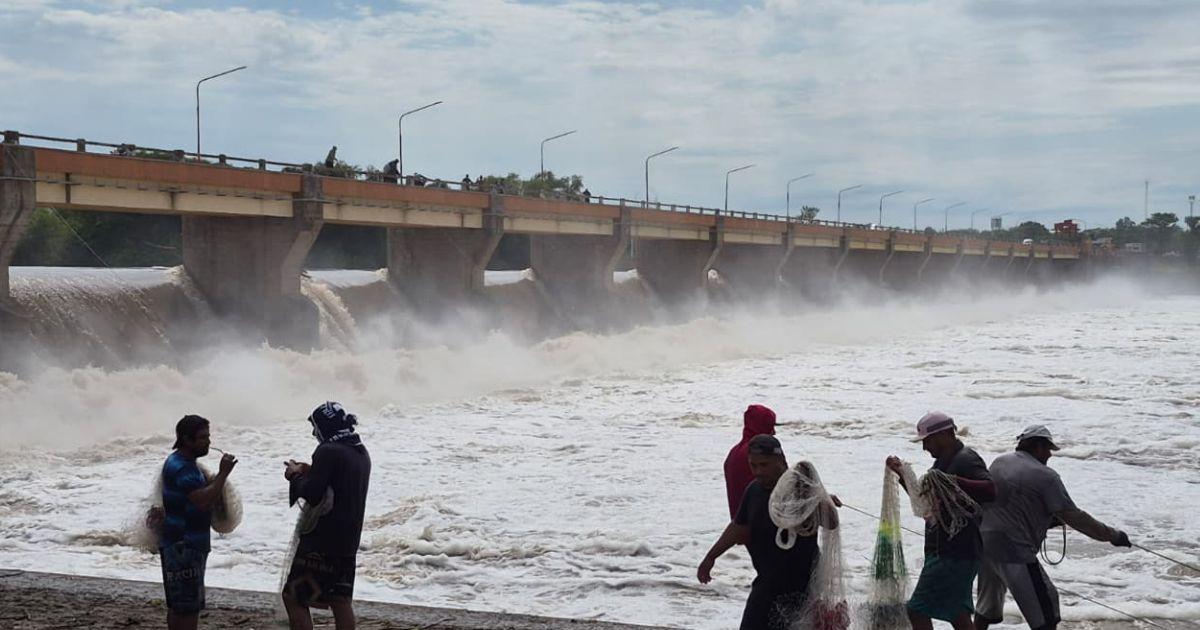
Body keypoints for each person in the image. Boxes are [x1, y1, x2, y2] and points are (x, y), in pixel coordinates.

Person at [975, 425, 1131, 630]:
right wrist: (1113, 535)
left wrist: (1045, 520)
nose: (1050, 454)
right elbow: (1075, 516)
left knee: (985, 609)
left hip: (984, 544)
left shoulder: (1000, 462)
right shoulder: (1046, 476)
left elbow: (1010, 505)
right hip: (1015, 551)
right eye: (1048, 449)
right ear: (1038, 446)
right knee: (1046, 612)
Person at [699, 435, 840, 630]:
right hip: (766, 586)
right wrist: (711, 557)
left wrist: (822, 500)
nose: (758, 472)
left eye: (764, 465)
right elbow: (739, 528)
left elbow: (831, 523)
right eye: (753, 465)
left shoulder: (803, 490)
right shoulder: (753, 491)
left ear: (780, 460)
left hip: (802, 591)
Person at [886, 411, 995, 630]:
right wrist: (902, 476)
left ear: (944, 435)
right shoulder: (941, 464)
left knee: (917, 610)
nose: (925, 447)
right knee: (957, 613)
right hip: (950, 551)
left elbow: (991, 490)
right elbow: (926, 504)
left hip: (954, 553)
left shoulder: (966, 459)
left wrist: (954, 481)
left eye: (927, 441)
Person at [282, 402, 372, 630]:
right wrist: (309, 470)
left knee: (294, 597)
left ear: (325, 426)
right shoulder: (360, 451)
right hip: (348, 543)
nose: (314, 433)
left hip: (321, 543)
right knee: (340, 600)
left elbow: (313, 494)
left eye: (315, 427)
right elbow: (339, 482)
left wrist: (294, 476)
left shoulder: (327, 451)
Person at [157, 415, 238, 630]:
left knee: (178, 607)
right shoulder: (184, 469)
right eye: (202, 437)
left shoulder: (177, 461)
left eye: (208, 436)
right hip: (186, 546)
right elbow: (203, 501)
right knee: (188, 609)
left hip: (177, 543)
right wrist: (223, 473)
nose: (208, 442)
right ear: (186, 439)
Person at [724, 404, 778, 519]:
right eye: (770, 426)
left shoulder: (734, 452)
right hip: (759, 522)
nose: (773, 432)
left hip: (738, 521)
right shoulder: (759, 454)